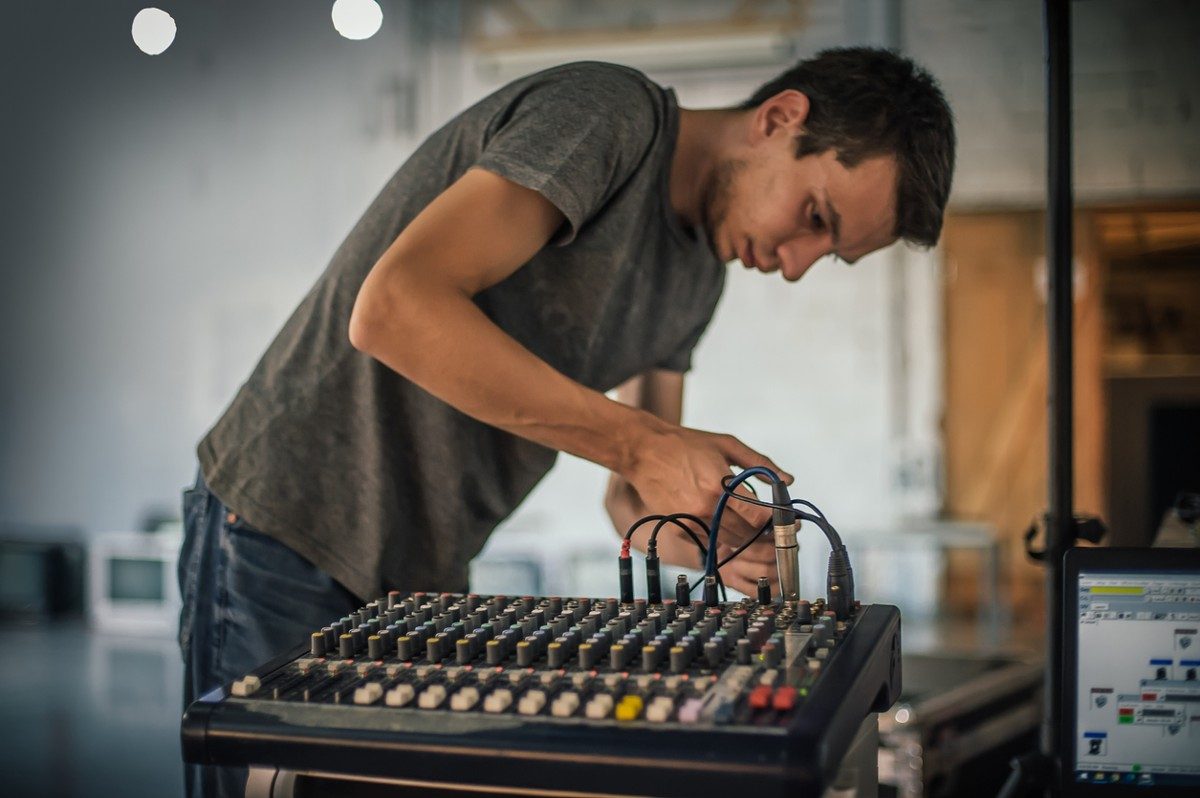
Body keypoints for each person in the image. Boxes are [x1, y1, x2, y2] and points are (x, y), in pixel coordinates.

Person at [178, 46, 954, 796]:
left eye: (829, 254)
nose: (794, 263)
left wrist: (703, 530)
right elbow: (392, 309)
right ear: (780, 117)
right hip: (284, 524)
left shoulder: (697, 281)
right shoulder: (605, 115)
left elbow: (630, 497)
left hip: (416, 579)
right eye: (814, 216)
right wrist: (646, 446)